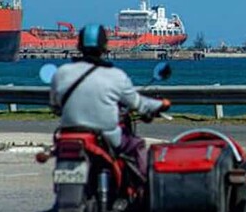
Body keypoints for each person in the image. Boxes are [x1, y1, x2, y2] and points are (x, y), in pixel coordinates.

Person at [49, 23, 170, 180]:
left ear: (78, 46)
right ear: (105, 47)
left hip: (68, 135)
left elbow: (54, 105)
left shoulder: (61, 73)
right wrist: (162, 104)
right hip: (105, 136)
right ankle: (143, 188)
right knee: (136, 144)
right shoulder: (116, 76)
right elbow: (137, 103)